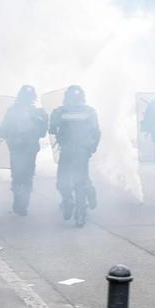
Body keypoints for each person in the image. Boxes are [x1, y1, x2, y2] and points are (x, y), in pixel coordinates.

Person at [49, 85, 101, 227]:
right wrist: (92, 148)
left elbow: (51, 129)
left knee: (63, 182)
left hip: (68, 151)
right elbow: (96, 132)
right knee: (81, 181)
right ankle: (82, 205)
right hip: (82, 151)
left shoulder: (60, 111)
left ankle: (70, 202)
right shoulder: (90, 111)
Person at [0, 85, 49, 215]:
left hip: (16, 149)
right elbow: (43, 133)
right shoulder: (39, 113)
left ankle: (18, 201)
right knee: (27, 176)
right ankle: (23, 204)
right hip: (31, 149)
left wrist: (2, 134)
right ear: (33, 98)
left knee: (17, 176)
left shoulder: (12, 111)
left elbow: (3, 130)